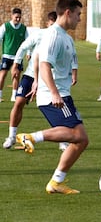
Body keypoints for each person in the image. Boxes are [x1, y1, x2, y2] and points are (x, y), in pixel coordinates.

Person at [16, 0, 88, 194]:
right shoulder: (54, 35)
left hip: (62, 94)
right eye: (78, 14)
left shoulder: (64, 36)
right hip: (54, 96)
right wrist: (54, 93)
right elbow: (44, 63)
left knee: (81, 139)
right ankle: (29, 136)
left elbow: (40, 56)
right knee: (77, 136)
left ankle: (56, 182)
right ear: (67, 12)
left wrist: (39, 81)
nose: (79, 19)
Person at [3, 11, 60, 149]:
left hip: (49, 78)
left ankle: (62, 140)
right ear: (48, 23)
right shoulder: (40, 34)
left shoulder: (60, 37)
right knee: (18, 103)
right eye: (51, 24)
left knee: (55, 107)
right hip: (30, 75)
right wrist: (16, 65)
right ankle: (11, 137)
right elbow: (23, 47)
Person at [0, 7, 28, 102]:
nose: (18, 19)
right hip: (7, 55)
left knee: (16, 75)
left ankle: (14, 95)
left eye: (19, 17)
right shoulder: (5, 26)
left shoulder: (23, 28)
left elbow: (27, 42)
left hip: (18, 57)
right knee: (3, 74)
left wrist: (28, 53)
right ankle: (0, 95)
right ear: (12, 16)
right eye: (16, 17)